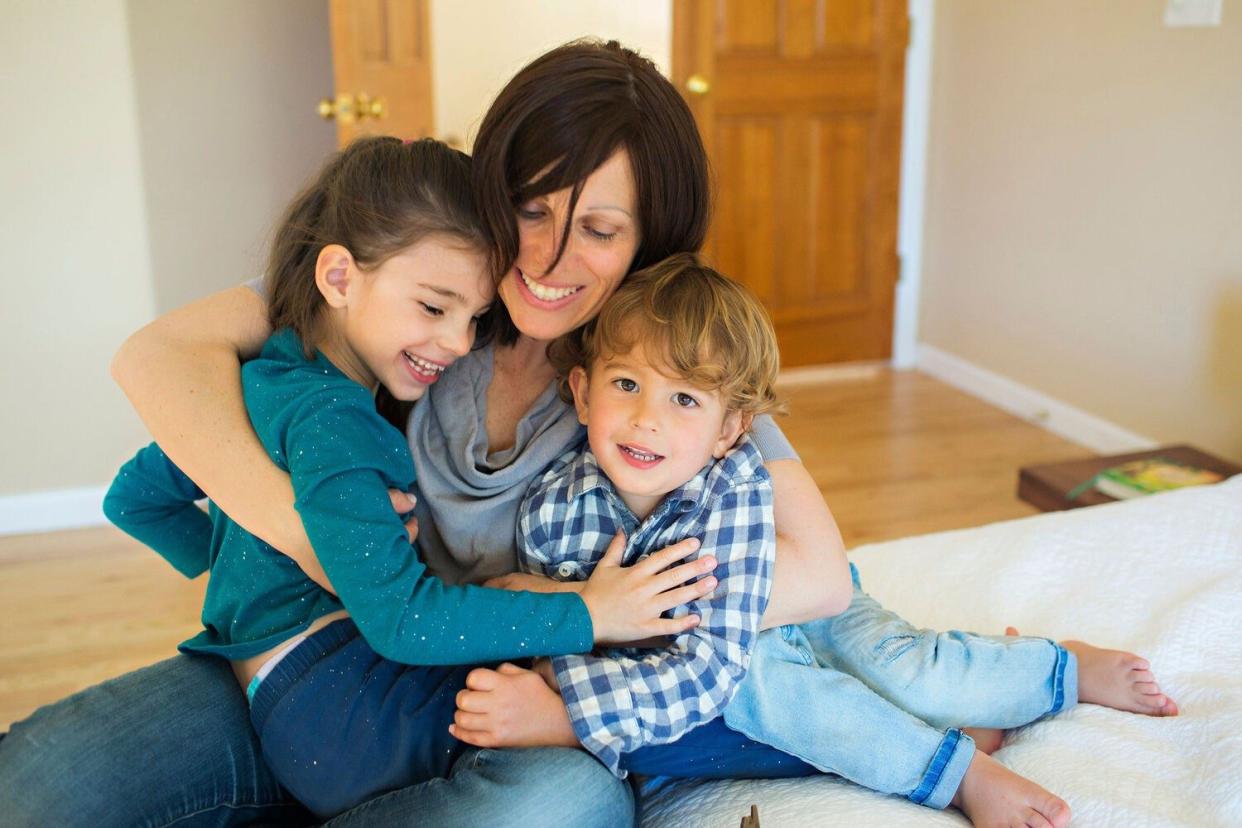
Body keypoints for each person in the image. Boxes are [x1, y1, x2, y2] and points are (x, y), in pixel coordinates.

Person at [0, 40, 852, 826]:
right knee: (33, 785)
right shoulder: (418, 294)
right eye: (532, 209)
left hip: (477, 701)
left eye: (598, 230)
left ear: (645, 246)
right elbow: (157, 356)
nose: (551, 259)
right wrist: (301, 536)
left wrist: (563, 603)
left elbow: (821, 575)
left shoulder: (654, 378)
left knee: (560, 805)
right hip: (315, 664)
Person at [99, 136, 718, 819]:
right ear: (338, 278)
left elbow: (135, 501)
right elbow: (403, 620)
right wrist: (591, 612)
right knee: (582, 755)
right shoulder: (343, 425)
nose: (457, 343)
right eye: (433, 308)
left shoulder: (250, 384)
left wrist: (234, 571)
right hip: (338, 706)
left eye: (474, 318)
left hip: (271, 686)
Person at [452, 253, 1180, 828]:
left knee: (908, 671)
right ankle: (957, 735)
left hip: (803, 615)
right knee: (780, 705)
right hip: (743, 659)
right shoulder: (552, 510)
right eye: (626, 385)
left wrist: (568, 713)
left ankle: (1053, 675)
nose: (647, 420)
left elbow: (706, 667)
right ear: (581, 392)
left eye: (684, 400)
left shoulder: (730, 487)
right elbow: (559, 635)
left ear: (730, 430)